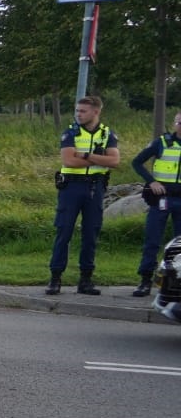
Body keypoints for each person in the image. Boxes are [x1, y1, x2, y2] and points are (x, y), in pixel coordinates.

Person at [50, 95, 120, 296]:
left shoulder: (107, 134)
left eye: (83, 111)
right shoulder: (71, 132)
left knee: (91, 234)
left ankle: (85, 280)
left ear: (96, 112)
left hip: (95, 188)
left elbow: (115, 161)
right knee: (64, 232)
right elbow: (69, 161)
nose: (78, 114)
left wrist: (87, 156)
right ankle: (55, 278)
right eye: (77, 110)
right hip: (71, 187)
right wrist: (101, 160)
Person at [131, 111, 181, 296]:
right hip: (162, 197)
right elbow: (136, 162)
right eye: (180, 122)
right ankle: (145, 280)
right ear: (175, 123)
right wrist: (152, 181)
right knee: (152, 240)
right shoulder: (162, 142)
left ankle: (175, 282)